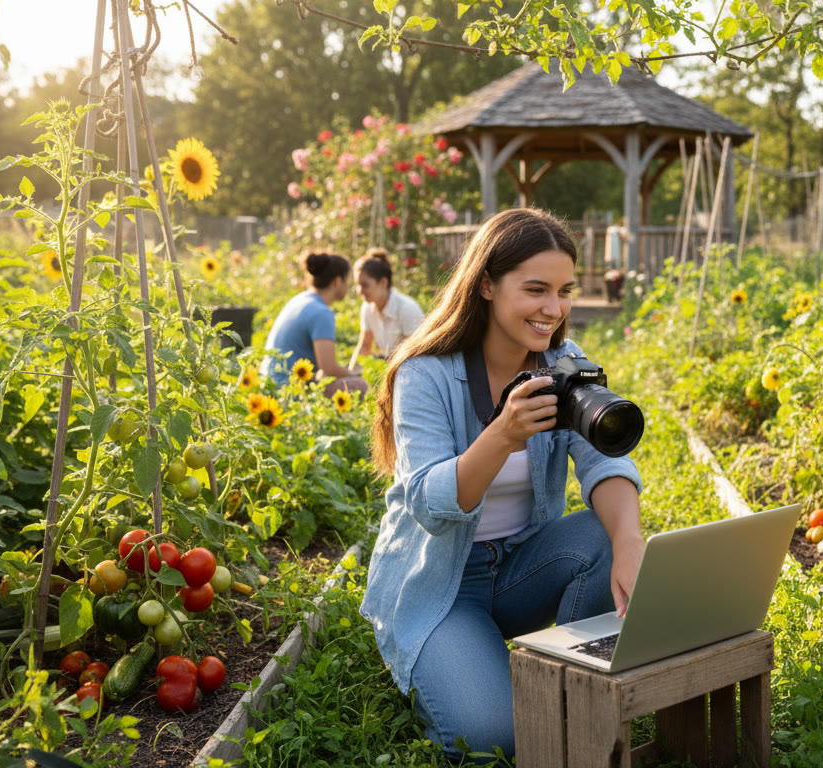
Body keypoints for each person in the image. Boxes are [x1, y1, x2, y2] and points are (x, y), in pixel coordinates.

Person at [360, 208, 644, 762]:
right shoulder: (426, 373)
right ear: (486, 283)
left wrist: (631, 543)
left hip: (520, 568)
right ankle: (444, 663)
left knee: (607, 532)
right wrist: (501, 434)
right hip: (440, 584)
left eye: (564, 291)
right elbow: (428, 501)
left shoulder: (564, 365)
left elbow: (605, 463)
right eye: (535, 289)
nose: (553, 308)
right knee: (495, 738)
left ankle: (573, 684)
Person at [259, 250, 368, 396]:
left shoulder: (299, 300)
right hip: (289, 390)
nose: (348, 287)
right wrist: (353, 374)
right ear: (337, 281)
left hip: (268, 383)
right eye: (346, 281)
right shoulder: (321, 313)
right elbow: (329, 369)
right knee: (362, 386)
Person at [348, 247, 425, 366]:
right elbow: (364, 347)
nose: (359, 291)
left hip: (412, 367)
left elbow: (415, 355)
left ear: (383, 282)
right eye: (357, 285)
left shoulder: (407, 308)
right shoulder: (367, 307)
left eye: (365, 285)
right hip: (390, 365)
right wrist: (350, 377)